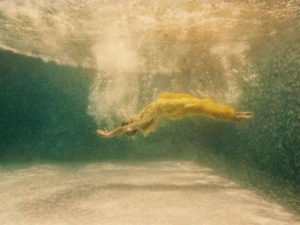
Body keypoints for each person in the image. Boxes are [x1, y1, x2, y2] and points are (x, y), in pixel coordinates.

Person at [96, 92, 252, 138]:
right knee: (201, 107)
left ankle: (233, 115)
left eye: (126, 122)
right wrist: (109, 134)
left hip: (168, 104)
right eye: (128, 124)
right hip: (169, 106)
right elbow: (124, 129)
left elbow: (126, 128)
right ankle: (234, 117)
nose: (127, 122)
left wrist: (114, 132)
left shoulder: (139, 117)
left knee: (201, 105)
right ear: (131, 128)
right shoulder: (141, 123)